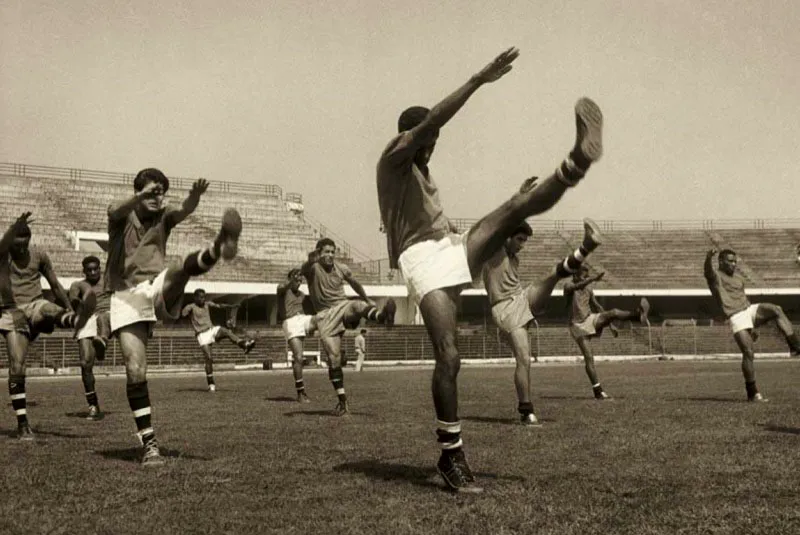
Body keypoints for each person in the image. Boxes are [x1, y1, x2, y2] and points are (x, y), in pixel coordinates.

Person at [377, 46, 606, 492]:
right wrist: (479, 79)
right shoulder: (394, 156)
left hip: (448, 245)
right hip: (420, 261)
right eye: (427, 141)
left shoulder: (423, 172)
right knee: (450, 355)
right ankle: (451, 455)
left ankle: (577, 161)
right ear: (410, 135)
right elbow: (432, 122)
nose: (431, 148)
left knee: (516, 206)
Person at [105, 168, 242, 466]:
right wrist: (141, 195)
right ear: (139, 191)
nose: (158, 198)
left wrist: (194, 196)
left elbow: (184, 210)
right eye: (153, 192)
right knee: (135, 371)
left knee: (181, 268)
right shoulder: (122, 218)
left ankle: (218, 246)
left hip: (155, 287)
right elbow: (116, 209)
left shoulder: (163, 217)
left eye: (161, 192)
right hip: (125, 297)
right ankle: (149, 444)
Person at [482, 219, 604, 425]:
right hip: (504, 308)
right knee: (524, 359)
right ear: (507, 237)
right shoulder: (495, 250)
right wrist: (522, 199)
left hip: (520, 298)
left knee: (552, 275)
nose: (522, 245)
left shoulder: (514, 259)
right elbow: (498, 226)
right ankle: (526, 410)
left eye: (525, 241)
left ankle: (587, 246)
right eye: (519, 239)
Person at [1, 213, 94, 440]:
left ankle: (73, 320)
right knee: (17, 366)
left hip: (35, 304)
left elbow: (54, 284)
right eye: (18, 245)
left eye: (25, 245)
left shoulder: (40, 256)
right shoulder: (3, 256)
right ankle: (23, 424)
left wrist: (68, 307)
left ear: (30, 241)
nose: (22, 250)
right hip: (11, 312)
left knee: (48, 308)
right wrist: (13, 227)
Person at [300, 238, 396, 415]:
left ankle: (382, 317)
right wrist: (310, 259)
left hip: (342, 306)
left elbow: (355, 283)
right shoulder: (313, 268)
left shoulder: (341, 268)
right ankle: (342, 402)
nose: (330, 255)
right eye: (326, 252)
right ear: (319, 253)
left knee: (357, 305)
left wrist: (367, 299)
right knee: (334, 358)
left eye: (332, 252)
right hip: (324, 316)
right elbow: (304, 269)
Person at [704, 248, 800, 401]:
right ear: (721, 262)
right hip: (736, 315)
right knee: (748, 353)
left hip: (749, 309)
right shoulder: (716, 277)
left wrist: (753, 324)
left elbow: (742, 297)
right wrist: (708, 257)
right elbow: (708, 271)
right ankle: (752, 392)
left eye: (735, 261)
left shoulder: (739, 278)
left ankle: (795, 347)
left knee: (776, 309)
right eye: (730, 261)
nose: (734, 264)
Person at [564, 265, 650, 399]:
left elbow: (597, 306)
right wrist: (592, 279)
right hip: (577, 325)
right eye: (583, 275)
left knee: (614, 312)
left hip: (590, 318)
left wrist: (609, 325)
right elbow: (576, 286)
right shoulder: (568, 286)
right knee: (589, 358)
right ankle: (598, 391)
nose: (585, 278)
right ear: (575, 275)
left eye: (587, 276)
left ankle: (638, 316)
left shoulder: (588, 287)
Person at [181, 289, 255, 392]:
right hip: (202, 335)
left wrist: (232, 306)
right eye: (201, 297)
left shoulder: (207, 304)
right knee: (209, 358)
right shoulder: (191, 306)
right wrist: (186, 310)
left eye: (204, 297)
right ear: (196, 298)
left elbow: (219, 306)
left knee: (225, 331)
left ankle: (243, 344)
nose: (203, 299)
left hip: (211, 330)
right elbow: (183, 313)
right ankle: (211, 383)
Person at [69, 255, 112, 420]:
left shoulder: (109, 282)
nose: (93, 272)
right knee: (85, 364)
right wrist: (77, 303)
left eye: (96, 269)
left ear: (100, 268)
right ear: (84, 271)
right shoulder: (78, 284)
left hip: (107, 315)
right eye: (89, 270)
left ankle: (102, 342)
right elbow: (73, 298)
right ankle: (93, 405)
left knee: (103, 318)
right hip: (88, 318)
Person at [277, 268, 315, 402]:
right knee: (298, 358)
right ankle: (300, 392)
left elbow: (302, 309)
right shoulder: (282, 289)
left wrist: (309, 327)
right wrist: (291, 279)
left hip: (302, 318)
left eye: (300, 280)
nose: (299, 282)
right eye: (296, 279)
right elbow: (283, 286)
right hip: (290, 322)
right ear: (290, 279)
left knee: (322, 318)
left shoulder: (302, 295)